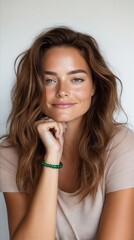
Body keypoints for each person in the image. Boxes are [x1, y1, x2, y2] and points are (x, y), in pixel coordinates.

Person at [0, 26, 134, 240]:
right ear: (34, 89)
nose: (62, 90)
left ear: (94, 87)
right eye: (49, 80)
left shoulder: (120, 145)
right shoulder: (10, 153)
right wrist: (51, 158)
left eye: (77, 79)